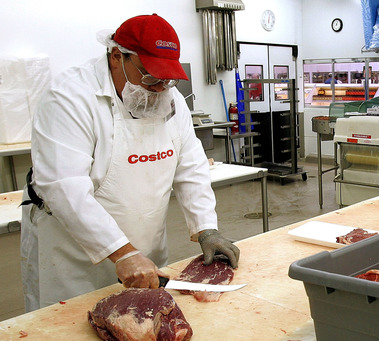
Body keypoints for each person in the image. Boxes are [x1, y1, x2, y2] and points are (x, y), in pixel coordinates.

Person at [20, 14, 240, 312]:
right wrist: (121, 253)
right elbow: (63, 188)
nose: (161, 88)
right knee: (69, 333)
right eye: (150, 76)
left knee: (142, 329)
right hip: (73, 256)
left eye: (167, 78)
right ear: (116, 57)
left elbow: (191, 168)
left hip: (145, 250)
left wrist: (206, 228)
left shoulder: (168, 97)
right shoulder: (69, 97)